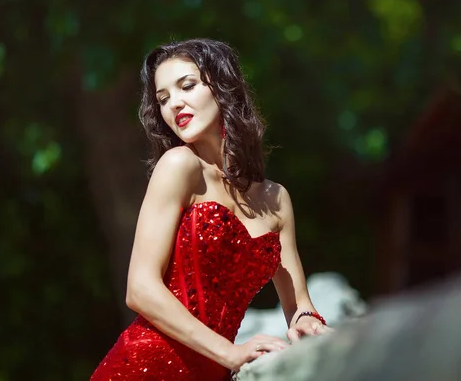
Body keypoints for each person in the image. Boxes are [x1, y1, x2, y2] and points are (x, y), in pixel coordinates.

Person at [90, 38, 329, 380]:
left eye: (187, 86)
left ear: (223, 88)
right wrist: (229, 352)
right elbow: (140, 288)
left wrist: (307, 321)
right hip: (141, 368)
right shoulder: (178, 166)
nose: (174, 104)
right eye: (163, 99)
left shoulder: (277, 201)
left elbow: (298, 304)